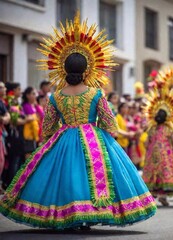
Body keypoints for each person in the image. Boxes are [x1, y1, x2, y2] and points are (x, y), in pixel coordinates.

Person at [0, 12, 156, 229]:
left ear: (63, 68)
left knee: (65, 176)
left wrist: (51, 140)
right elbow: (111, 124)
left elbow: (47, 127)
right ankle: (90, 214)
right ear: (88, 68)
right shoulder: (96, 93)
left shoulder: (56, 95)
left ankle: (68, 215)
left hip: (63, 138)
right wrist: (106, 136)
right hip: (93, 138)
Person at [142, 109, 173, 206]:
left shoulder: (151, 129)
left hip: (153, 156)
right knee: (165, 175)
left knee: (152, 175)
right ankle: (163, 197)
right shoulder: (169, 129)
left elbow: (146, 143)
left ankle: (152, 195)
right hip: (166, 155)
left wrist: (150, 150)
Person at [22, 87, 40, 158]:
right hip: (29, 135)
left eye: (35, 94)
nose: (36, 95)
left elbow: (42, 115)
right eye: (33, 94)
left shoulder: (34, 106)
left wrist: (36, 105)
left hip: (35, 135)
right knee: (28, 159)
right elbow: (33, 121)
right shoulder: (26, 106)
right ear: (27, 95)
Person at [0, 82, 10, 194]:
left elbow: (8, 116)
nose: (4, 89)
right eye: (2, 87)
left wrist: (4, 118)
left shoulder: (2, 102)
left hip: (1, 133)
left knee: (2, 159)